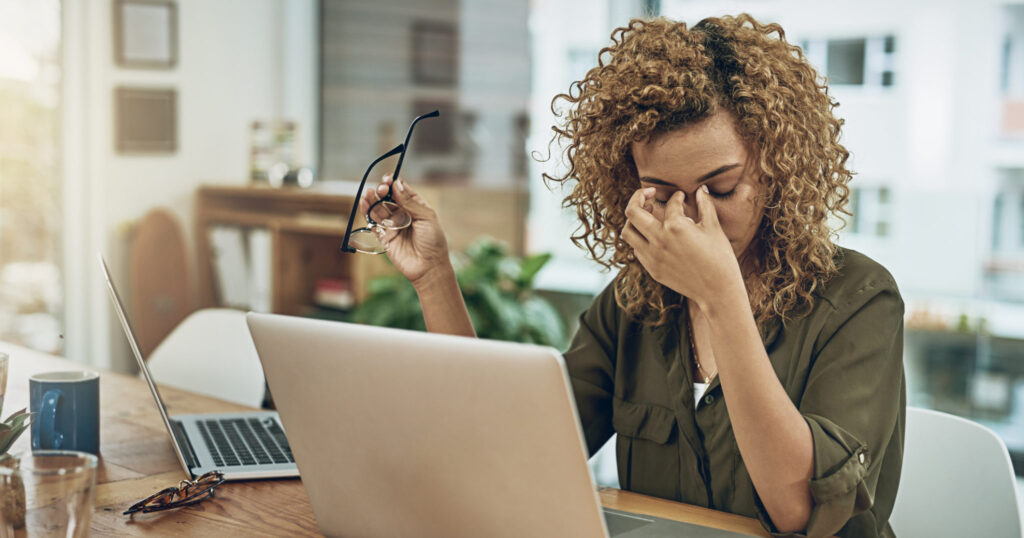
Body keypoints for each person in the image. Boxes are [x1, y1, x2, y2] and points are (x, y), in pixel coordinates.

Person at [358, 14, 904, 538]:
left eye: (721, 189)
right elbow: (506, 449)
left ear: (774, 165)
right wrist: (434, 277)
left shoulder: (859, 299)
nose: (691, 218)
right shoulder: (637, 300)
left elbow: (796, 512)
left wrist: (720, 298)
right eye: (661, 195)